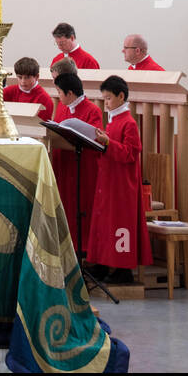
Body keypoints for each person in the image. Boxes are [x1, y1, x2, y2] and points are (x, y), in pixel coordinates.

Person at [85, 75, 152, 285]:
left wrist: (107, 143)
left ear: (121, 96)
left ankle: (123, 269)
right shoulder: (114, 120)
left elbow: (131, 153)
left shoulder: (129, 123)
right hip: (109, 180)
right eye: (103, 98)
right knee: (105, 223)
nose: (105, 103)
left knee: (120, 226)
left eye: (108, 98)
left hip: (123, 185)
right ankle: (102, 264)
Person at [48, 71, 103, 249]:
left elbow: (95, 139)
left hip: (82, 167)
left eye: (59, 92)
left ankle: (86, 251)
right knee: (66, 208)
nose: (58, 96)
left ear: (70, 93)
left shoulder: (92, 110)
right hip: (64, 165)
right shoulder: (63, 107)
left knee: (82, 208)